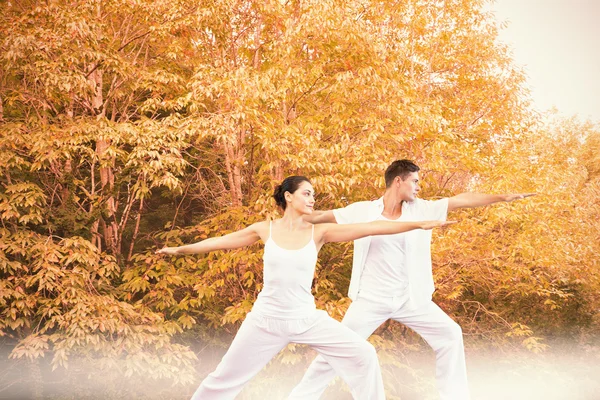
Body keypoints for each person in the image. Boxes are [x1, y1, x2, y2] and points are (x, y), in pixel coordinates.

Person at [157, 175, 455, 400]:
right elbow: (220, 242)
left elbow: (373, 226)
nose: (313, 199)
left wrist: (417, 225)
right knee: (223, 379)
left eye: (314, 194)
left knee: (364, 354)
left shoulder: (319, 232)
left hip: (306, 319)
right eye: (307, 193)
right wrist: (180, 250)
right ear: (288, 196)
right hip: (265, 320)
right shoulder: (265, 229)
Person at [288, 160, 535, 400]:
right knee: (338, 349)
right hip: (371, 299)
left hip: (411, 299)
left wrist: (501, 197)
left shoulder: (422, 208)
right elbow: (319, 217)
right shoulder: (362, 210)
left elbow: (462, 200)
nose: (418, 187)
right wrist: (288, 219)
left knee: (450, 334)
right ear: (398, 181)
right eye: (414, 181)